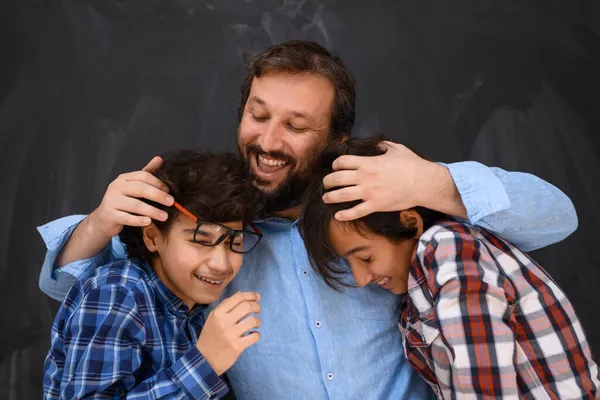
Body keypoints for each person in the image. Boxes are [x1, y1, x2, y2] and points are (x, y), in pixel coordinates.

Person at [38, 41, 579, 399]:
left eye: (296, 125)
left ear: (335, 139)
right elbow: (68, 285)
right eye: (258, 115)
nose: (268, 142)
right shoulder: (210, 229)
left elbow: (558, 217)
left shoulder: (388, 204)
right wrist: (101, 221)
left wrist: (432, 181)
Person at [300, 137, 599, 399]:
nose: (361, 279)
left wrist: (432, 180)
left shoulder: (445, 249)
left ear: (410, 222)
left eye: (365, 258)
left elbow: (485, 388)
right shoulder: (418, 288)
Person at [43, 150, 264, 399]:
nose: (221, 264)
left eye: (235, 242)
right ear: (152, 236)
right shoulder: (117, 294)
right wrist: (205, 363)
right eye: (201, 240)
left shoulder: (194, 308)